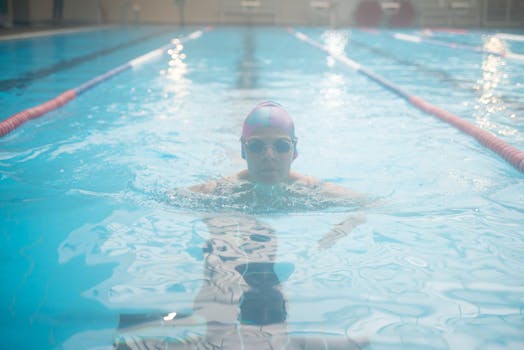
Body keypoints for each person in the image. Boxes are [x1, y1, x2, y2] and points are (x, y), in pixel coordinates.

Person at [189, 100, 366, 204]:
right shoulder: (219, 191)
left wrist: (340, 230)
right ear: (243, 149)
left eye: (281, 146)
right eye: (256, 146)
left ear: (294, 150)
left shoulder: (314, 190)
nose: (269, 156)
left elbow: (371, 205)